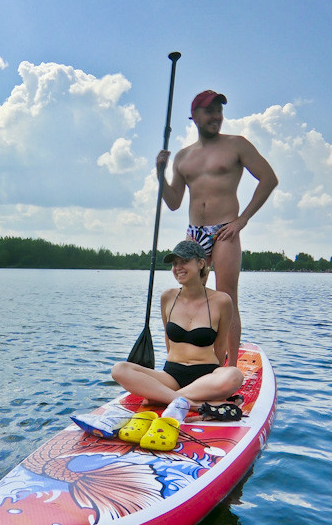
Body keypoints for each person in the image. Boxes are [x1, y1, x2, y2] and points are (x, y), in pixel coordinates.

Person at [156, 90, 278, 366]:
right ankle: (188, 360)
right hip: (194, 233)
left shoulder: (237, 145)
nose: (216, 116)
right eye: (209, 111)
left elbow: (269, 178)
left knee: (225, 299)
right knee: (190, 297)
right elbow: (174, 202)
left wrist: (241, 220)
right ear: (195, 116)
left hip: (225, 230)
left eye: (219, 110)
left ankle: (230, 368)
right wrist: (160, 175)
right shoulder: (184, 157)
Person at [110, 240, 243, 412]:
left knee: (234, 375)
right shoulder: (168, 297)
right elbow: (168, 339)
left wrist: (216, 380)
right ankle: (192, 403)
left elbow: (220, 346)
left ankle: (163, 398)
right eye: (174, 263)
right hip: (171, 375)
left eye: (184, 261)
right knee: (119, 369)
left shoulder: (222, 301)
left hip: (206, 375)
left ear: (201, 263)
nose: (177, 267)